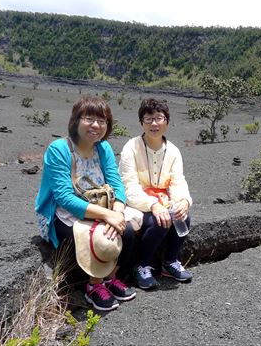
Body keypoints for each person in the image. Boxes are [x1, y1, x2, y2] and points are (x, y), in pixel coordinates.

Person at [35, 96, 137, 311]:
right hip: (63, 212)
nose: (96, 125)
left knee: (126, 231)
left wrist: (116, 212)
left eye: (102, 121)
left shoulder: (103, 148)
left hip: (100, 207)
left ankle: (110, 277)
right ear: (76, 120)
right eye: (89, 119)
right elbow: (64, 197)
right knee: (90, 236)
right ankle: (93, 285)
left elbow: (116, 184)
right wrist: (106, 216)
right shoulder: (59, 149)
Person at [119, 98, 193, 290]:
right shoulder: (131, 148)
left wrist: (183, 201)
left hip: (163, 201)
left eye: (159, 118)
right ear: (141, 122)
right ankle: (141, 266)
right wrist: (153, 204)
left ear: (166, 122)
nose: (154, 123)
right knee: (160, 221)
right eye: (148, 118)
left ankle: (170, 262)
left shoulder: (173, 151)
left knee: (183, 217)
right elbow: (128, 186)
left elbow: (178, 181)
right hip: (136, 203)